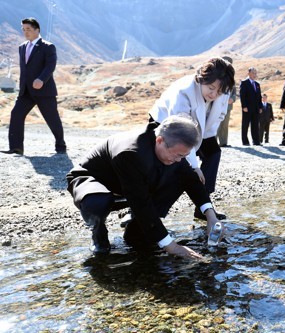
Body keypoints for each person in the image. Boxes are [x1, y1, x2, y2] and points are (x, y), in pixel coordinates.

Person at [66, 115, 222, 258]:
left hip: (132, 183)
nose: (179, 160)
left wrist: (211, 216)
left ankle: (136, 230)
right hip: (96, 182)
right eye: (178, 155)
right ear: (160, 140)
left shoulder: (171, 147)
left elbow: (191, 180)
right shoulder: (131, 153)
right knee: (97, 203)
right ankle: (99, 233)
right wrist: (172, 246)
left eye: (184, 156)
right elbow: (140, 202)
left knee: (179, 177)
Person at [149, 57, 235, 220]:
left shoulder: (222, 90)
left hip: (200, 129)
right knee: (174, 166)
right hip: (167, 125)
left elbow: (217, 118)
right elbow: (181, 135)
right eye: (211, 88)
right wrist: (194, 167)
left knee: (213, 152)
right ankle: (146, 211)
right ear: (201, 79)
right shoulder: (184, 92)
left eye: (219, 91)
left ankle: (203, 205)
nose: (214, 94)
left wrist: (206, 139)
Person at [1, 17, 66, 155]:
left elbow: (50, 66)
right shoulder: (22, 47)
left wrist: (41, 79)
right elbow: (25, 69)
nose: (26, 32)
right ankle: (16, 147)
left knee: (52, 119)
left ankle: (61, 146)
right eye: (24, 29)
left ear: (37, 30)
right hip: (26, 91)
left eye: (29, 29)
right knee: (16, 114)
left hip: (44, 91)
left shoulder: (48, 46)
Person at [239, 67, 263, 146]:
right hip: (247, 108)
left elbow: (259, 97)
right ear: (248, 73)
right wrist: (244, 106)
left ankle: (256, 141)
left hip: (256, 108)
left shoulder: (257, 84)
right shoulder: (244, 83)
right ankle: (245, 141)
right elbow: (242, 96)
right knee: (245, 125)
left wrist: (260, 107)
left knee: (255, 125)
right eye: (253, 73)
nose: (254, 74)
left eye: (255, 73)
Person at [217, 56, 237, 147]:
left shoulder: (232, 78)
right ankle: (212, 142)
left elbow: (234, 92)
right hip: (217, 105)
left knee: (225, 124)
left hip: (228, 106)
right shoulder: (217, 76)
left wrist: (232, 99)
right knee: (215, 123)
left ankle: (223, 142)